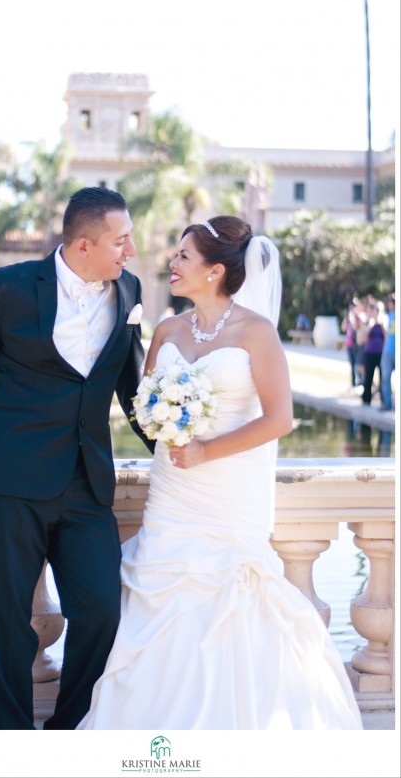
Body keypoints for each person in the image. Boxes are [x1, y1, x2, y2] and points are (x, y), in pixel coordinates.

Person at [77, 216, 363, 730]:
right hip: (173, 492)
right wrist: (167, 422)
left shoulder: (255, 331)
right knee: (160, 600)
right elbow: (145, 407)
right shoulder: (167, 329)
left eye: (184, 255)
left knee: (232, 602)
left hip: (228, 493)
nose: (173, 262)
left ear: (213, 271)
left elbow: (279, 419)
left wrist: (208, 451)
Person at [0, 186, 154, 730]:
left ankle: (67, 733)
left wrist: (171, 447)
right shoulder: (8, 288)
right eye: (121, 240)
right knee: (8, 620)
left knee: (101, 613)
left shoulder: (128, 289)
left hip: (88, 482)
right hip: (9, 479)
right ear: (84, 245)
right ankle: (14, 743)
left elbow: (132, 384)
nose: (130, 250)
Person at [361, 300, 385, 406]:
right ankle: (366, 398)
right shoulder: (368, 322)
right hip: (369, 353)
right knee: (368, 376)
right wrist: (370, 325)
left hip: (380, 353)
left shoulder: (382, 323)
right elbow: (364, 338)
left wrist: (382, 324)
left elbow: (386, 336)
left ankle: (383, 399)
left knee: (383, 377)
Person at [380, 292, 395, 411]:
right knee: (385, 379)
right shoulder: (386, 316)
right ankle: (387, 403)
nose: (391, 305)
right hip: (387, 352)